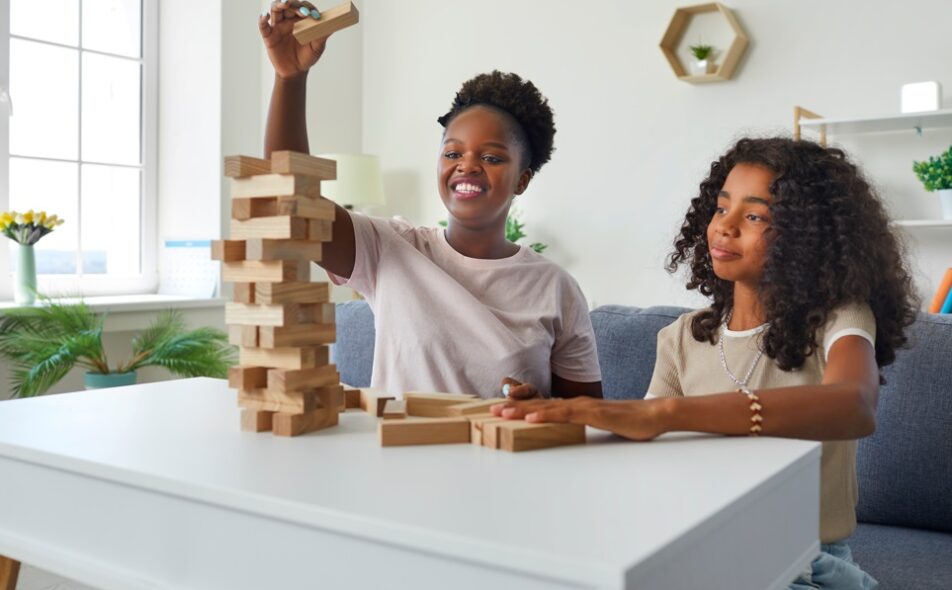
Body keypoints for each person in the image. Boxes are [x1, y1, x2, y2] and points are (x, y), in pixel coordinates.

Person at [493, 137, 918, 589]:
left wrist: (667, 414)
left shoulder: (839, 319)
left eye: (754, 216)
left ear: (807, 236)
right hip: (705, 549)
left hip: (804, 562)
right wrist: (553, 416)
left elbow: (854, 404)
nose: (725, 227)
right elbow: (645, 454)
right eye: (720, 208)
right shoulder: (682, 338)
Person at [258, 1, 602, 399]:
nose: (467, 166)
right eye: (453, 153)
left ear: (522, 180)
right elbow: (292, 201)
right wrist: (290, 78)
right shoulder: (390, 249)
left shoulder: (556, 288)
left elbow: (586, 420)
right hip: (397, 459)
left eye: (490, 158)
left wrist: (539, 413)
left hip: (504, 460)